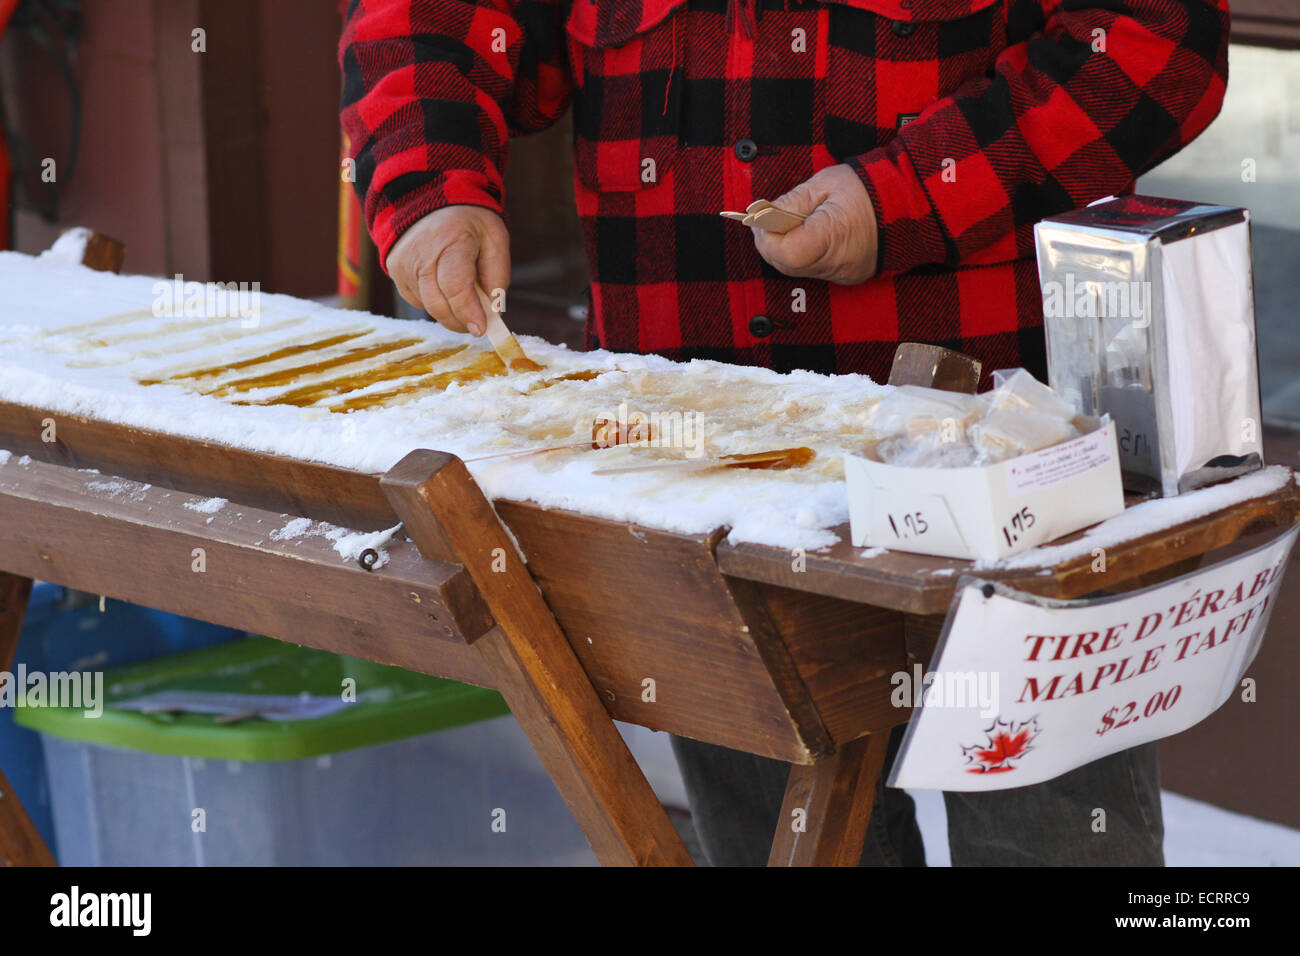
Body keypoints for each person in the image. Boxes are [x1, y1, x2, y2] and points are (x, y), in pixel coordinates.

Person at [340, 0, 1228, 865]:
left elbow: (1161, 39)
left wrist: (908, 195)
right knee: (776, 846)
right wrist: (427, 187)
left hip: (1004, 459)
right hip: (692, 476)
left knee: (1055, 843)